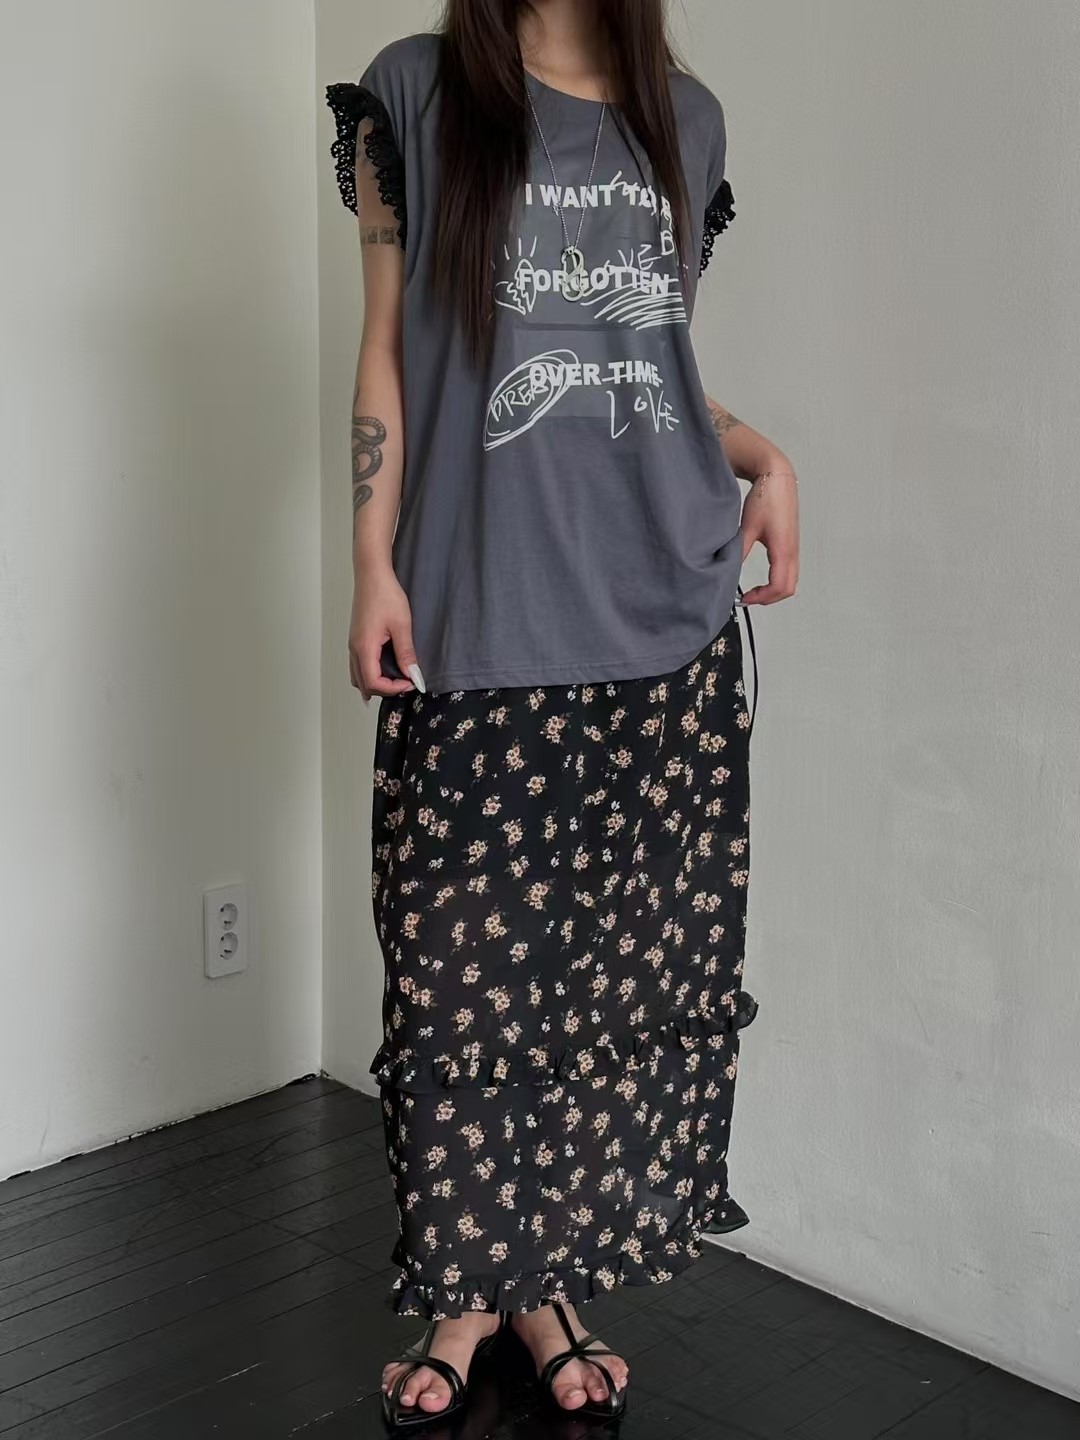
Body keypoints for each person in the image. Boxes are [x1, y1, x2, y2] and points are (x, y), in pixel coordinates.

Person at [326, 0, 798, 1429]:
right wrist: (371, 563)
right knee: (462, 984)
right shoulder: (414, 96)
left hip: (662, 624)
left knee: (601, 994)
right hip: (481, 612)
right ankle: (469, 1295)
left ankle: (543, 1293)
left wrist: (764, 455)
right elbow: (390, 351)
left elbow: (645, 364)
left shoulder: (685, 119)